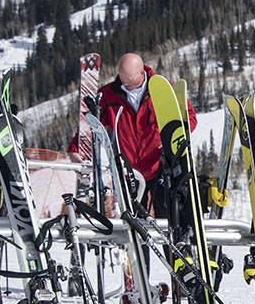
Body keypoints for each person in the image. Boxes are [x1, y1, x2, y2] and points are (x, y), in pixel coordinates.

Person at [68, 52, 196, 216]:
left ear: (142, 73)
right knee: (135, 222)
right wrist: (75, 149)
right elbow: (89, 126)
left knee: (168, 218)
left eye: (129, 79)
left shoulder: (162, 90)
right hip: (130, 172)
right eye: (122, 78)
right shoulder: (108, 95)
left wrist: (173, 139)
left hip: (160, 168)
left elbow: (189, 118)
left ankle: (170, 242)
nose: (124, 83)